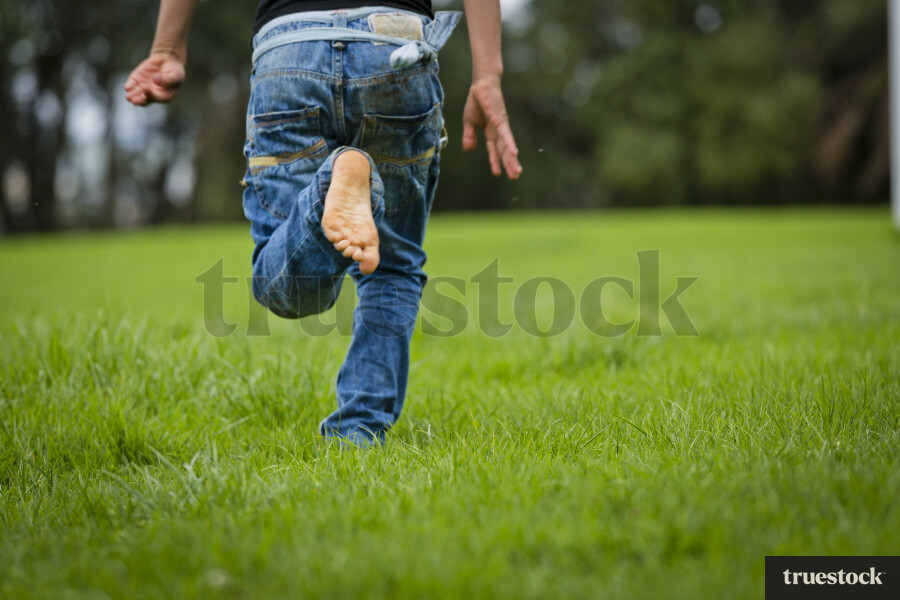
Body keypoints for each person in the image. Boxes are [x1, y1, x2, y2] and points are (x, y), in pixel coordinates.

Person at [125, 0, 522, 446]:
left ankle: (330, 186)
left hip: (291, 53)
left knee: (288, 291)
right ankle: (358, 432)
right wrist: (487, 74)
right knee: (390, 269)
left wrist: (167, 48)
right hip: (394, 48)